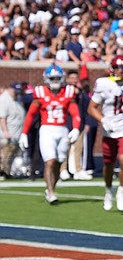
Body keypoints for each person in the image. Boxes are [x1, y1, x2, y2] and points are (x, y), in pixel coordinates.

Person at [20, 65, 82, 204]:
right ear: (47, 79)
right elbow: (31, 114)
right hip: (47, 129)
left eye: (57, 78)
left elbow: (75, 113)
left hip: (62, 129)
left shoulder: (68, 92)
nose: (55, 80)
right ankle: (52, 193)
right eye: (52, 78)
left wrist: (76, 128)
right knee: (50, 161)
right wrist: (24, 132)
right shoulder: (40, 93)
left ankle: (50, 189)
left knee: (59, 163)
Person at [88, 55, 123, 211]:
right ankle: (108, 190)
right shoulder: (103, 84)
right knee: (108, 165)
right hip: (109, 130)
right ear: (112, 69)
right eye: (118, 68)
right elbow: (91, 108)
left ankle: (121, 191)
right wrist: (103, 120)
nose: (121, 71)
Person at [0, 83, 26, 179]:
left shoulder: (17, 99)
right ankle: (2, 172)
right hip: (7, 134)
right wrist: (6, 131)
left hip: (16, 134)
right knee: (5, 154)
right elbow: (2, 118)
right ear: (10, 89)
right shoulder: (4, 100)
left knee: (11, 154)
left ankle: (7, 172)